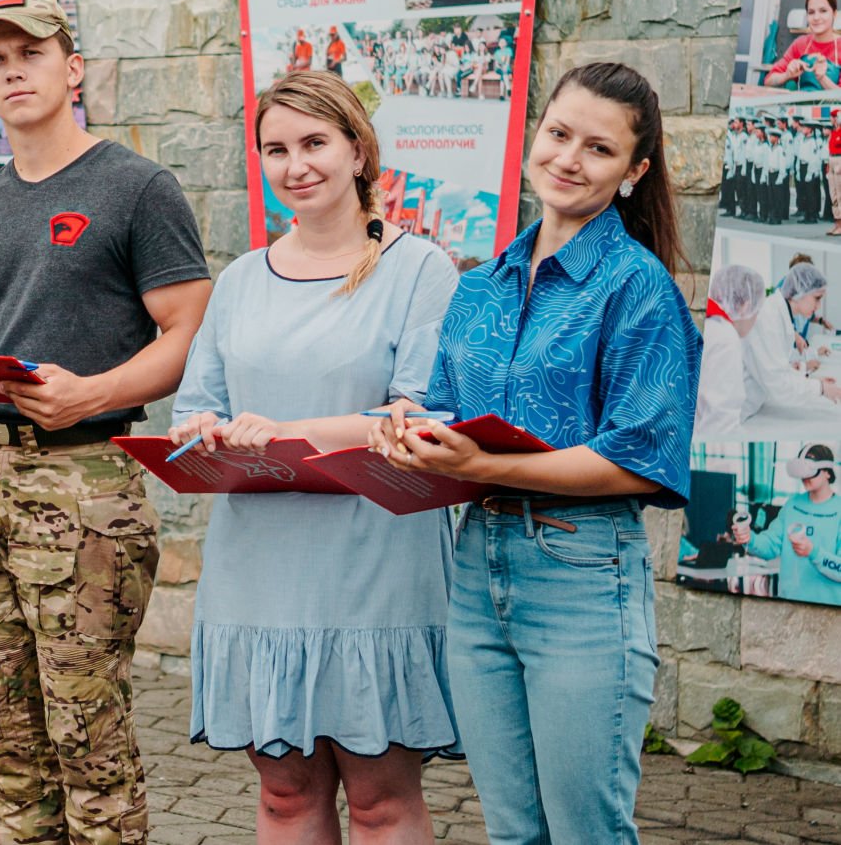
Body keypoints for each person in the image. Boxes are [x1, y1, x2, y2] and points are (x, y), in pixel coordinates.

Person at [0, 0, 213, 844]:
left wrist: (94, 392)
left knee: (88, 739)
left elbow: (189, 333)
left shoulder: (136, 187)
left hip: (85, 483)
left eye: (32, 53)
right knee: (7, 739)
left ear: (74, 66)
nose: (14, 70)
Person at [372, 62, 702, 844]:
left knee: (587, 830)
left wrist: (479, 466)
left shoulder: (638, 287)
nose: (569, 159)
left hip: (581, 570)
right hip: (477, 565)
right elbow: (453, 416)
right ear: (534, 136)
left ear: (633, 171)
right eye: (559, 133)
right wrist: (408, 426)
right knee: (515, 831)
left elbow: (638, 459)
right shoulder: (483, 284)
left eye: (599, 148)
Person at [169, 71, 461, 844]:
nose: (295, 165)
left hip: (375, 563)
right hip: (259, 566)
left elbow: (420, 415)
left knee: (379, 799)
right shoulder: (239, 279)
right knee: (285, 796)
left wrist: (289, 431)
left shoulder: (420, 268)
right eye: (276, 149)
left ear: (358, 150)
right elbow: (193, 406)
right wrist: (202, 429)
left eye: (314, 143)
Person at [731, 447, 841, 605]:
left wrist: (814, 552)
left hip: (826, 609)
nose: (805, 477)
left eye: (811, 470)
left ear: (827, 473)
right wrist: (750, 538)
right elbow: (770, 545)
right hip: (789, 603)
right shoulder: (793, 505)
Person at [745, 262, 841, 408]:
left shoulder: (782, 314)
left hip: (756, 401)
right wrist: (820, 388)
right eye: (817, 298)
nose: (818, 306)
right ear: (800, 291)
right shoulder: (770, 318)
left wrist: (813, 381)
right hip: (742, 407)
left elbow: (782, 365)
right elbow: (778, 383)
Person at [696, 264, 768, 435]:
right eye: (757, 311)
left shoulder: (706, 322)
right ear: (745, 306)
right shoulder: (724, 338)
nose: (756, 319)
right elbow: (720, 426)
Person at [763, 0, 841, 94]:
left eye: (823, 11)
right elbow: (768, 80)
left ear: (834, 14)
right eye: (811, 12)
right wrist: (787, 75)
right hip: (802, 104)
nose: (816, 17)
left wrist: (822, 78)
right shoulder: (800, 44)